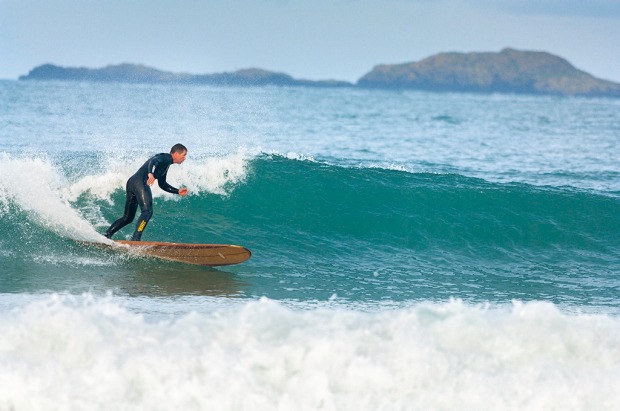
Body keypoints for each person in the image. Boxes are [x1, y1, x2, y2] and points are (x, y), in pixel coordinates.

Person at [104, 143, 189, 241]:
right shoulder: (165, 157)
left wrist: (177, 191)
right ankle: (136, 239)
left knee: (128, 218)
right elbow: (153, 161)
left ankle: (107, 235)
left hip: (132, 182)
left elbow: (162, 184)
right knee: (147, 211)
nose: (185, 158)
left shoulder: (166, 163)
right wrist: (150, 173)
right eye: (184, 155)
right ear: (176, 154)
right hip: (140, 182)